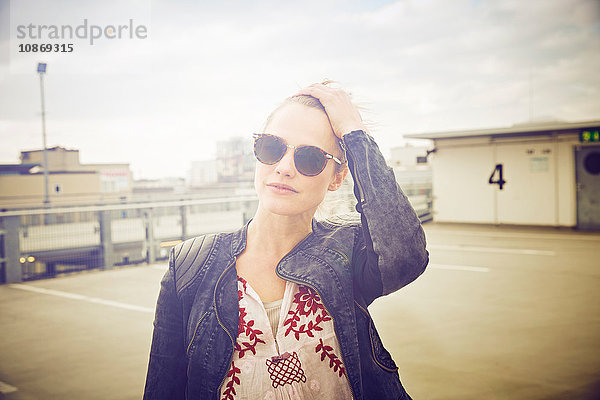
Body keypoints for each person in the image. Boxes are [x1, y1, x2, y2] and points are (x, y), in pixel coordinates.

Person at [143, 82, 429, 400]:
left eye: (309, 159)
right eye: (271, 148)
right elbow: (162, 388)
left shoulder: (346, 251)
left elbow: (406, 255)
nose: (283, 167)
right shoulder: (190, 266)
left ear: (337, 177)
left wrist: (353, 131)